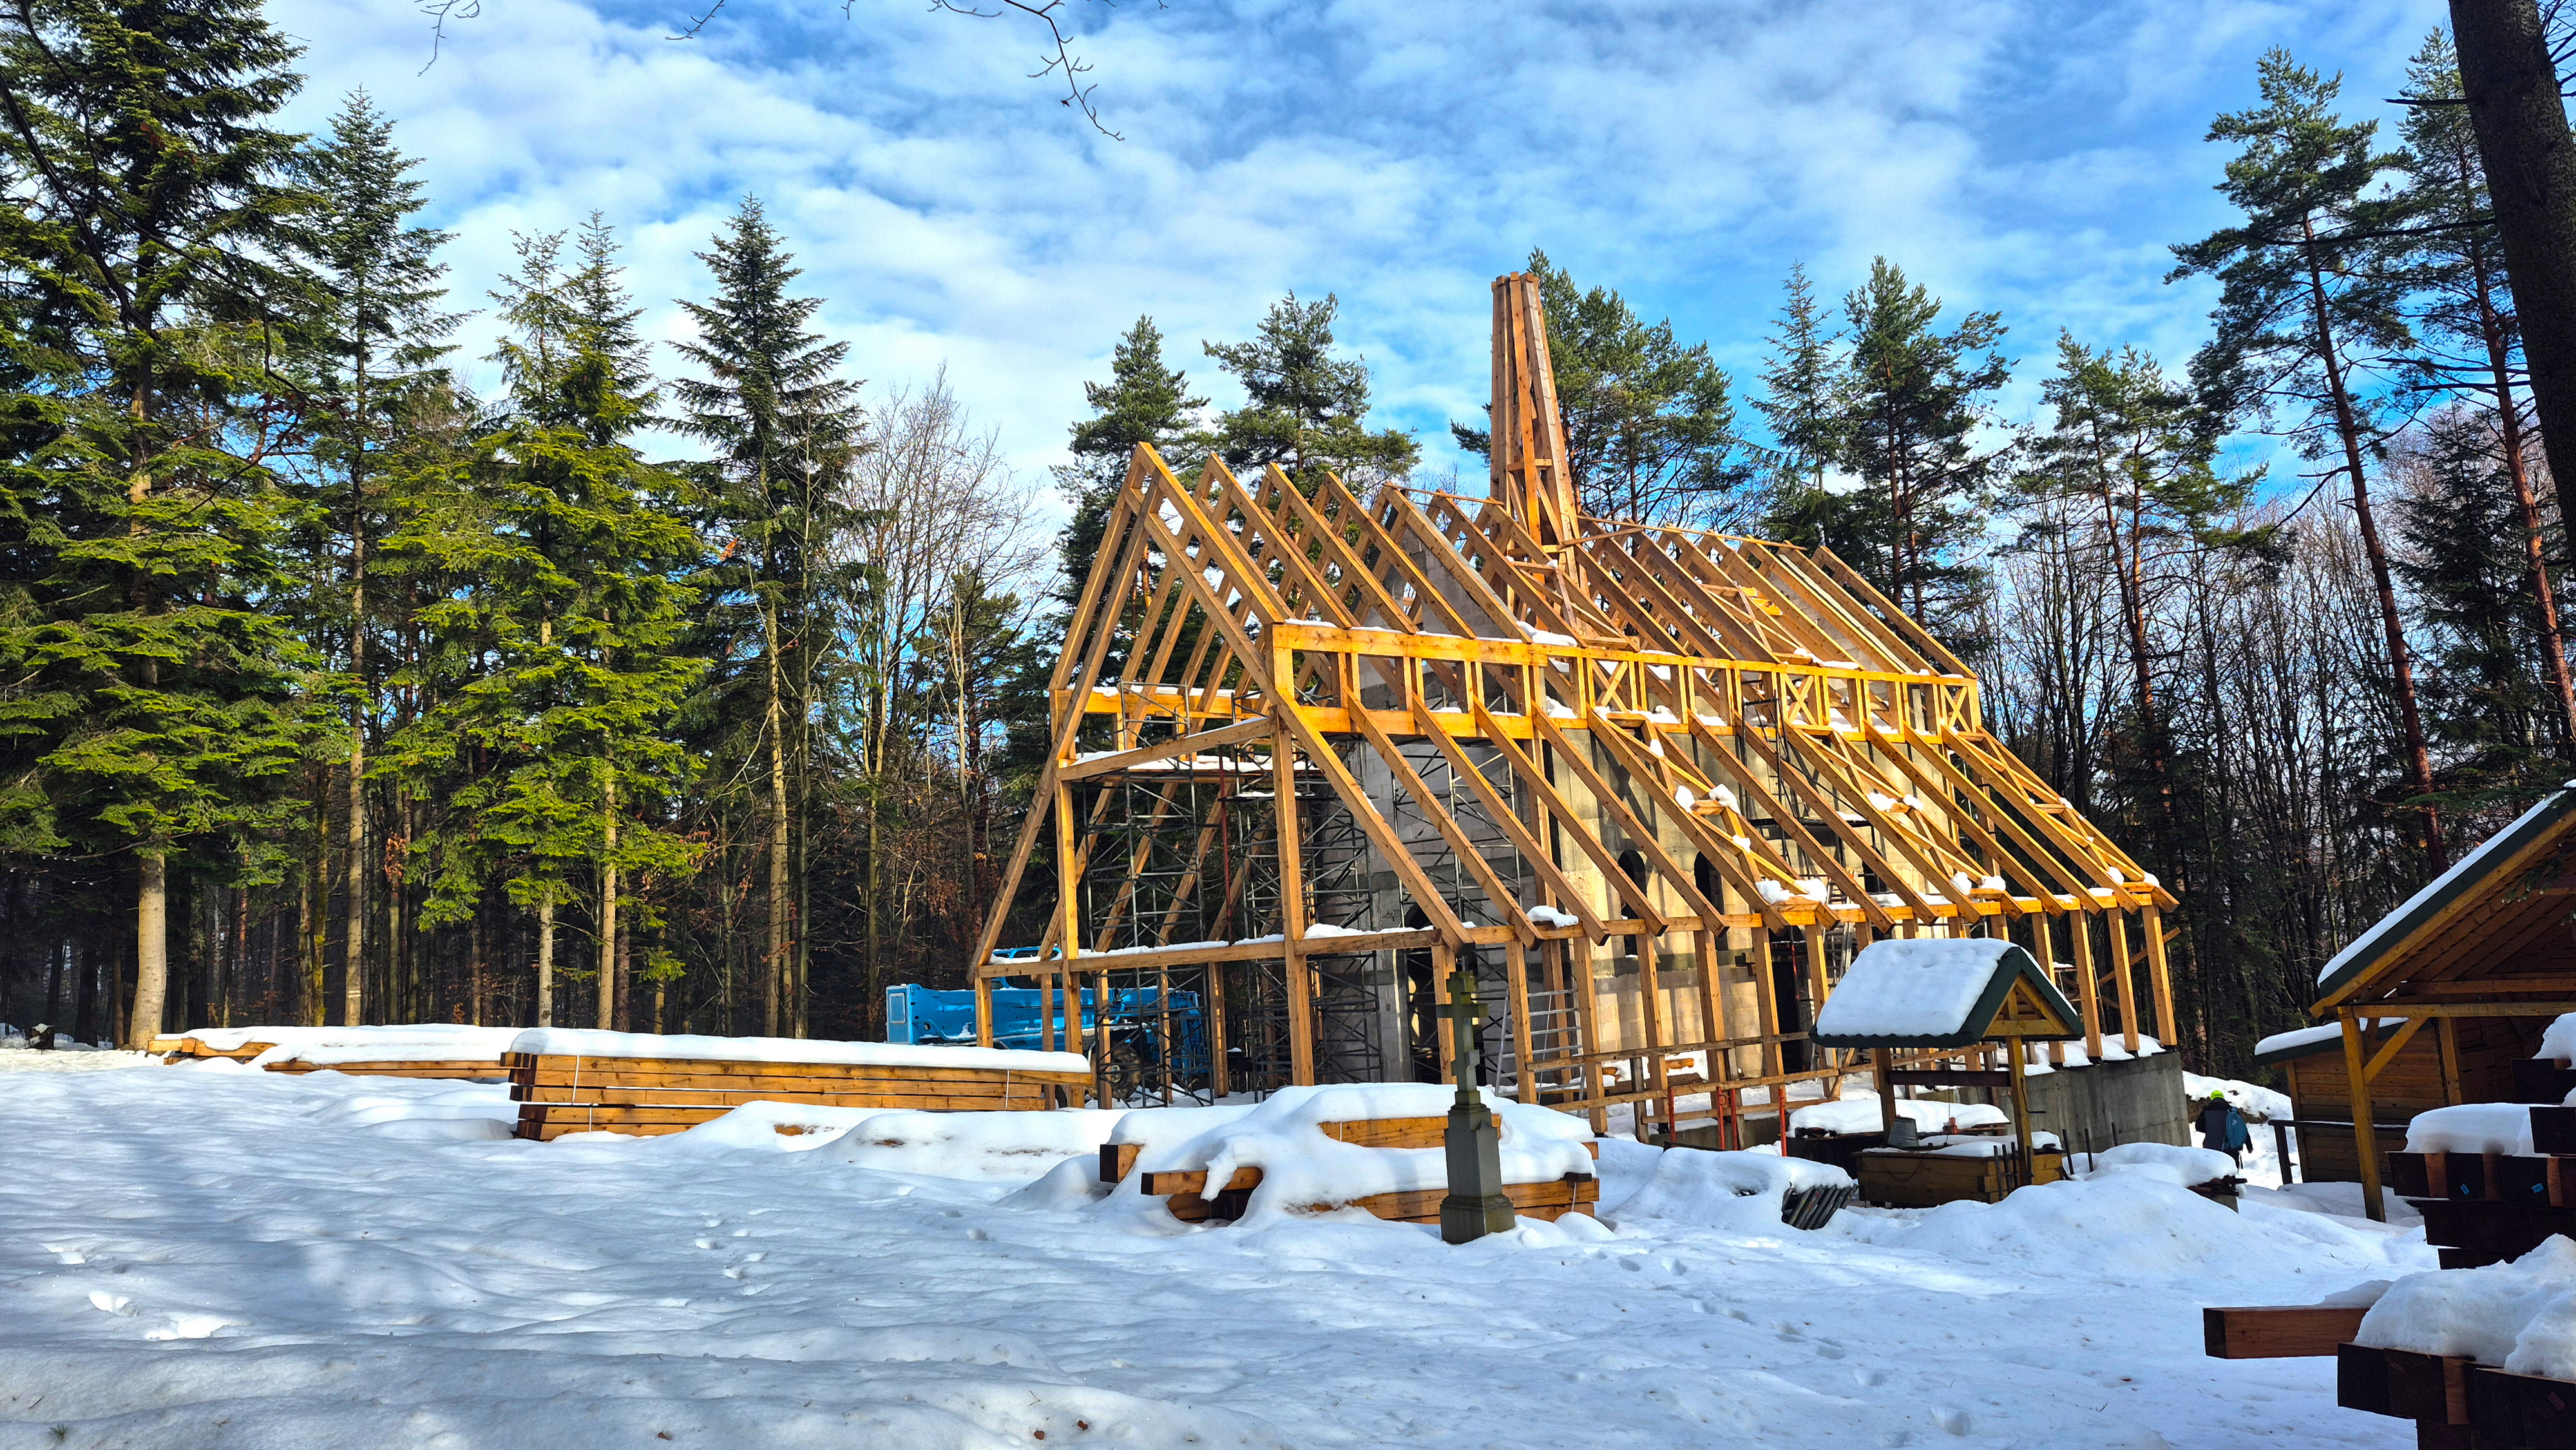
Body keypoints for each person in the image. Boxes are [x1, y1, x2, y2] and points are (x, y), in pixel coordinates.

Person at [2195, 1089, 2249, 1165]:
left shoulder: (2206, 1111)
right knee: (2232, 1169)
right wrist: (2249, 1145)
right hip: (2231, 1147)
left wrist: (2210, 1129)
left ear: (2212, 1099)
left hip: (2211, 1147)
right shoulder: (2232, 1111)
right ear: (2223, 1098)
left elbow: (2199, 1127)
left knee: (2214, 1169)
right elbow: (2241, 1129)